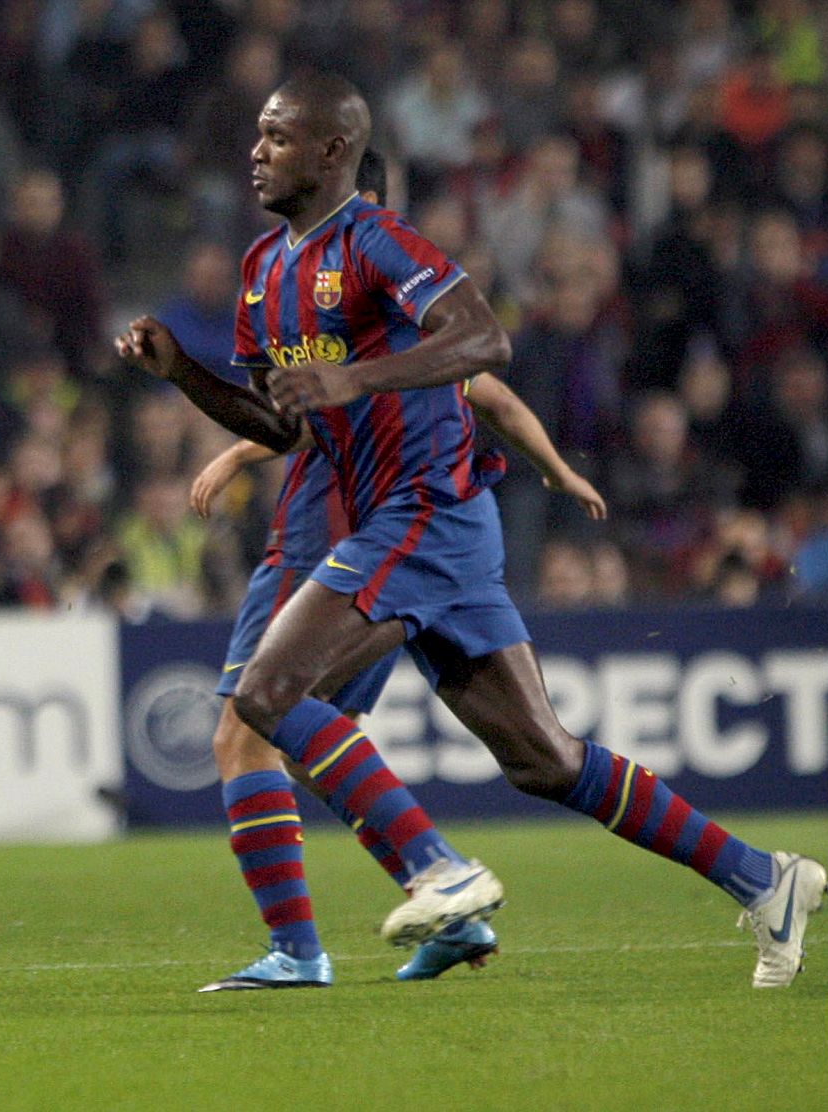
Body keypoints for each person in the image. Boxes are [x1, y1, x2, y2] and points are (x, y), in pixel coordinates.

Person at [118, 71, 826, 990]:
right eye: (257, 134)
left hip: (426, 510)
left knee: (268, 692)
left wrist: (358, 378)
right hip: (423, 530)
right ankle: (764, 878)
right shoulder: (263, 271)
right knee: (545, 759)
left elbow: (484, 341)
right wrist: (185, 376)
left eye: (278, 136)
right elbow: (286, 427)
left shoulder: (377, 242)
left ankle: (437, 870)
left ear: (334, 151)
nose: (256, 151)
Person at [180, 147, 608, 990]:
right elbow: (294, 412)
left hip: (348, 540)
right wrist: (236, 448)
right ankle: (432, 912)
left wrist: (557, 472)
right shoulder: (301, 285)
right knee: (272, 734)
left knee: (255, 721)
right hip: (339, 533)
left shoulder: (387, 294)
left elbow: (488, 387)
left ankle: (377, 906)